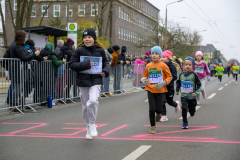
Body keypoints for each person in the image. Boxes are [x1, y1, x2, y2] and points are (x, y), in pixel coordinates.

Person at [69, 28, 110, 140]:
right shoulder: (79, 51)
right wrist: (86, 64)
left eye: (89, 37)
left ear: (94, 39)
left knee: (92, 101)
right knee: (85, 106)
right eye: (85, 37)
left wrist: (106, 71)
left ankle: (92, 123)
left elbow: (106, 63)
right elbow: (72, 64)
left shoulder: (100, 50)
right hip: (83, 81)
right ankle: (88, 127)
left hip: (96, 80)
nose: (87, 39)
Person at [141, 46, 172, 134]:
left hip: (160, 90)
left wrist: (164, 82)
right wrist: (142, 79)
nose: (154, 55)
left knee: (158, 109)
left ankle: (159, 114)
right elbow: (145, 75)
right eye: (153, 54)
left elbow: (170, 76)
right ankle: (152, 126)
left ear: (160, 56)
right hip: (150, 89)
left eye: (156, 54)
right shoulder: (148, 65)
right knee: (151, 109)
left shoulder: (163, 65)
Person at [8, 30, 40, 108]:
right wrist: (34, 55)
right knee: (18, 86)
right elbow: (24, 58)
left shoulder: (16, 44)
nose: (26, 38)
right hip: (18, 69)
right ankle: (15, 104)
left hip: (17, 68)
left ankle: (15, 103)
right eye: (25, 37)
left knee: (17, 86)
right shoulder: (17, 46)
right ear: (22, 38)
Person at [176, 57, 202, 129]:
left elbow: (199, 84)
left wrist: (196, 93)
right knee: (184, 108)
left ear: (192, 66)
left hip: (192, 96)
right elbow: (178, 83)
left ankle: (192, 111)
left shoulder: (194, 75)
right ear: (183, 65)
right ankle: (185, 122)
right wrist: (177, 90)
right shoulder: (181, 75)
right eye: (186, 64)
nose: (188, 66)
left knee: (192, 109)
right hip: (184, 95)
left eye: (190, 65)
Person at [160, 50, 180, 122]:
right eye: (162, 57)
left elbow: (174, 77)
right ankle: (164, 115)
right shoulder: (161, 65)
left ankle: (176, 104)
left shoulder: (171, 67)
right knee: (162, 101)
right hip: (162, 87)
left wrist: (167, 80)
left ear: (168, 58)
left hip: (170, 87)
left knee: (169, 101)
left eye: (164, 57)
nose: (162, 58)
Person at [61, 38, 74, 103]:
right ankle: (66, 97)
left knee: (67, 83)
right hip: (67, 68)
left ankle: (66, 96)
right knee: (67, 83)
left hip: (67, 67)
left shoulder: (65, 48)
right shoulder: (68, 50)